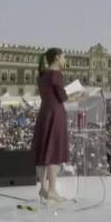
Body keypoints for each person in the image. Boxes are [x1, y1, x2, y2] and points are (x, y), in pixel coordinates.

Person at [31, 48, 71, 203]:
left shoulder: (43, 74)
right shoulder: (56, 74)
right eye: (63, 57)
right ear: (56, 58)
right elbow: (62, 97)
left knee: (43, 152)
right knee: (53, 152)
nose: (65, 61)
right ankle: (53, 190)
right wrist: (81, 96)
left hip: (44, 113)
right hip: (55, 114)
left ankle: (43, 188)